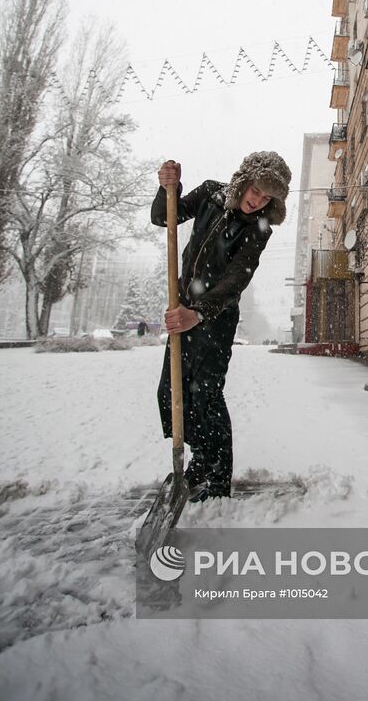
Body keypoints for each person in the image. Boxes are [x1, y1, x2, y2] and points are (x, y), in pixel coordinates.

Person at [151, 151, 291, 500]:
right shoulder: (211, 194)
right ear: (244, 181)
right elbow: (163, 217)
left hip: (215, 318)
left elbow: (234, 281)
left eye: (266, 198)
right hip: (183, 309)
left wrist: (198, 312)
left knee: (205, 395)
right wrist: (168, 187)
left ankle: (216, 478)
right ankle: (200, 459)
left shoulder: (259, 229)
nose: (256, 201)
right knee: (171, 393)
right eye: (255, 191)